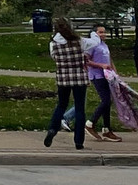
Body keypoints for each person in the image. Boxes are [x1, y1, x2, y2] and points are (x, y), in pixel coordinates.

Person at [44, 18, 88, 150]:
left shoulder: (53, 44)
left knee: (62, 104)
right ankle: (79, 141)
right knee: (80, 108)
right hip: (79, 77)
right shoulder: (79, 41)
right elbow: (88, 48)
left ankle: (53, 128)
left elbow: (54, 57)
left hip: (63, 78)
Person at [85, 24, 122, 142]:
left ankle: (107, 130)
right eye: (100, 32)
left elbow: (109, 60)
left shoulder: (104, 45)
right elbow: (86, 61)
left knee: (107, 101)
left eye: (104, 32)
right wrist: (101, 66)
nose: (103, 34)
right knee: (106, 101)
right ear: (94, 33)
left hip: (107, 76)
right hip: (97, 76)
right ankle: (90, 123)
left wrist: (115, 73)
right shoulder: (92, 44)